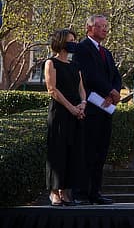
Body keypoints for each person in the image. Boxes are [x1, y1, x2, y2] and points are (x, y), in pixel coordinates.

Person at [72, 15, 121, 205]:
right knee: (88, 151)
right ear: (89, 28)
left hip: (106, 108)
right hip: (90, 108)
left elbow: (115, 75)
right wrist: (108, 90)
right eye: (100, 26)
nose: (105, 30)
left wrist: (114, 92)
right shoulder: (82, 49)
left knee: (101, 151)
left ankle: (95, 192)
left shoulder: (106, 52)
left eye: (106, 27)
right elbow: (88, 75)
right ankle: (82, 193)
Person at [45, 28, 87, 206]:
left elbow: (81, 89)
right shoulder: (51, 63)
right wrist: (71, 108)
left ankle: (66, 192)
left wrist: (83, 104)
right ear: (62, 42)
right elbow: (52, 90)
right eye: (71, 40)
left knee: (72, 152)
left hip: (76, 114)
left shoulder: (74, 65)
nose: (74, 43)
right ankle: (54, 192)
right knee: (58, 151)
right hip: (60, 114)